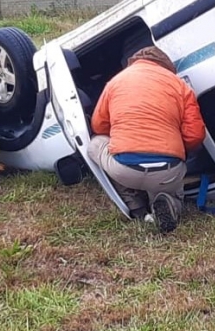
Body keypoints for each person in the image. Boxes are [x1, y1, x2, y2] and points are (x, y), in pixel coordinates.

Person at [87, 46, 206, 233]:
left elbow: (99, 126)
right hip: (167, 172)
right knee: (168, 190)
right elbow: (196, 134)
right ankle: (168, 203)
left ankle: (136, 206)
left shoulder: (115, 82)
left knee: (95, 144)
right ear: (166, 66)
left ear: (133, 63)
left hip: (124, 169)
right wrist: (177, 149)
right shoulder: (180, 85)